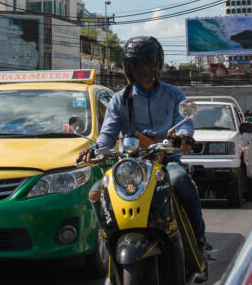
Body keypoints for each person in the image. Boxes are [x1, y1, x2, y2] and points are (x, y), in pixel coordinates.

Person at [78, 36, 209, 254]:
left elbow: (184, 123)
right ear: (128, 68)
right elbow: (107, 134)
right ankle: (110, 245)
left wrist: (184, 136)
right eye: (136, 65)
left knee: (180, 181)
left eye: (148, 63)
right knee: (96, 193)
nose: (143, 70)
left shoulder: (174, 94)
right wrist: (94, 149)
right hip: (130, 166)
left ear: (157, 64)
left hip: (166, 161)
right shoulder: (120, 99)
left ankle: (200, 238)